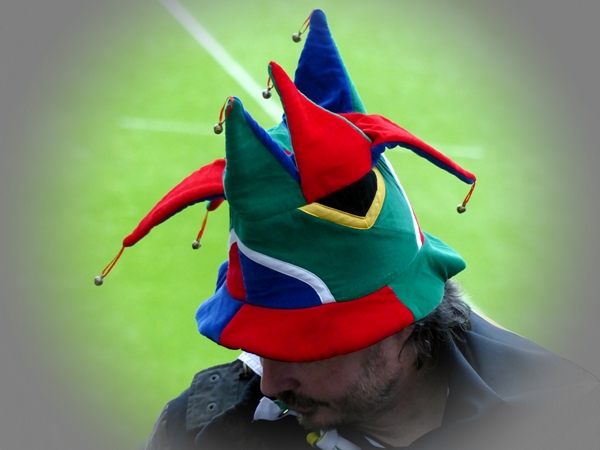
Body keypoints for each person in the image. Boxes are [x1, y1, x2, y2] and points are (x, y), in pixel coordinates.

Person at [98, 9, 599, 450]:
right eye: (260, 346)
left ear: (401, 322)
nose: (269, 383)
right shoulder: (200, 428)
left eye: (301, 347)